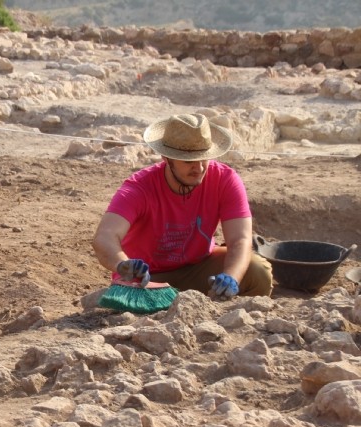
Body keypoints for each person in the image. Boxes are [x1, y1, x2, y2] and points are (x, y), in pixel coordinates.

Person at [92, 113, 272, 299]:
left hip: (200, 268)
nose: (200, 168)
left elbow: (240, 240)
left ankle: (219, 298)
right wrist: (124, 265)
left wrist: (231, 278)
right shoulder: (139, 188)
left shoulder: (225, 180)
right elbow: (104, 237)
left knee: (258, 272)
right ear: (166, 158)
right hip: (149, 277)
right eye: (188, 161)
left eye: (204, 158)